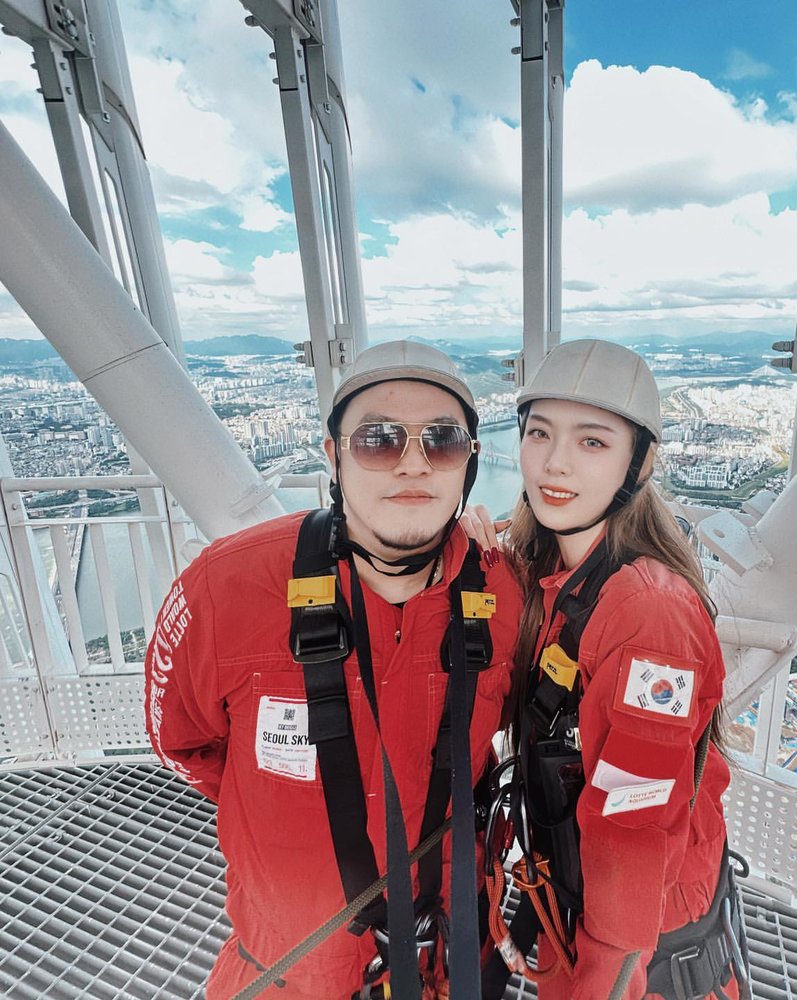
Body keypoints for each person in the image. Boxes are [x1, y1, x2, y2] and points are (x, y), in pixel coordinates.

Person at [144, 341, 520, 1000]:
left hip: (454, 958)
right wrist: (282, 818)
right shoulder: (226, 589)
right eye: (378, 440)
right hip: (291, 971)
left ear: (471, 462)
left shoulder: (506, 592)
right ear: (333, 456)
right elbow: (184, 743)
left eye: (444, 439)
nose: (412, 463)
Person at [467, 339, 751, 1000]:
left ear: (638, 463)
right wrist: (468, 545)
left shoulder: (649, 618)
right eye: (540, 434)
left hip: (642, 953)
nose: (555, 462)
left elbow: (633, 831)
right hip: (579, 909)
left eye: (592, 442)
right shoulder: (556, 573)